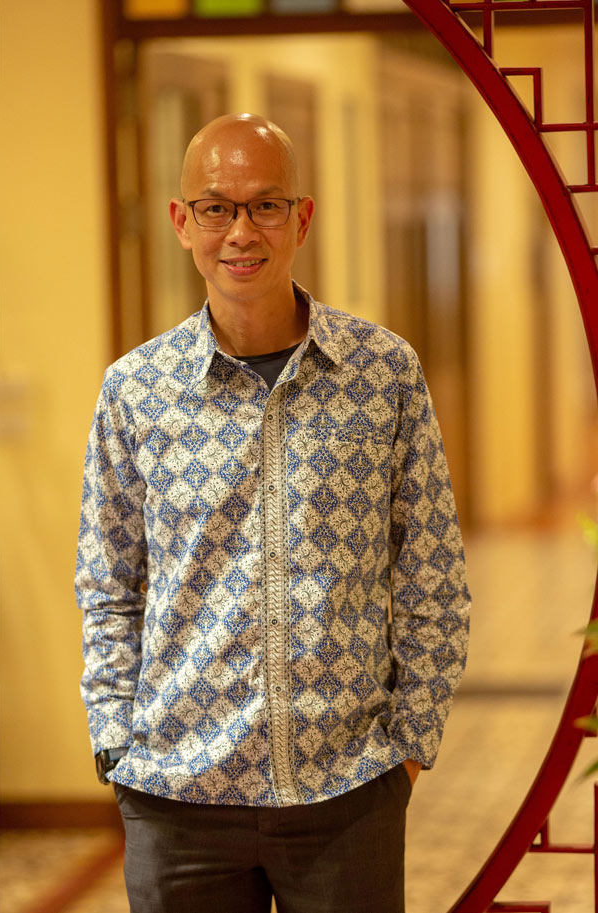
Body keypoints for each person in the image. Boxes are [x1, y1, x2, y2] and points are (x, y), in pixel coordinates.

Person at [76, 113, 470, 913]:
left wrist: (409, 745)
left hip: (346, 795)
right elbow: (108, 584)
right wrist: (116, 740)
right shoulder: (135, 391)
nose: (240, 231)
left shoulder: (383, 374)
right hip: (176, 798)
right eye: (216, 207)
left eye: (265, 205)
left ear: (302, 217)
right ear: (182, 221)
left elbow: (431, 573)